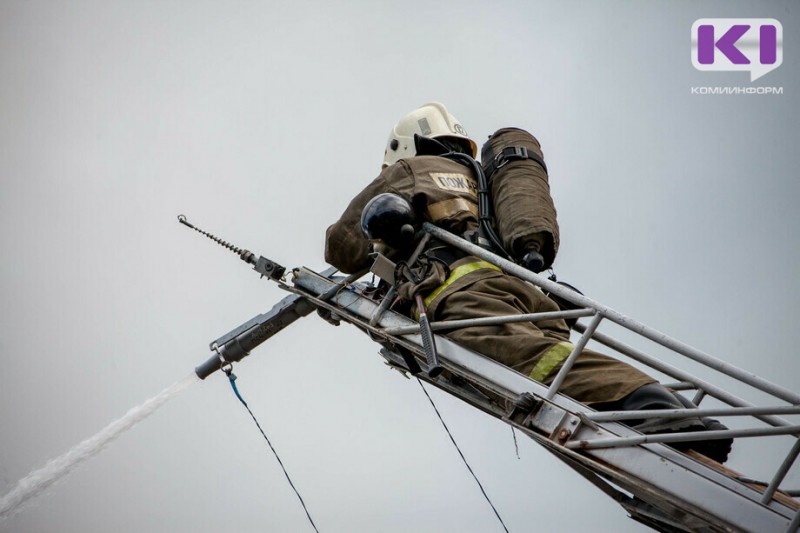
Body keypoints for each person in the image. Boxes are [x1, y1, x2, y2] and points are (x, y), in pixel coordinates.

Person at [325, 102, 731, 463]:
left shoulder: (409, 170)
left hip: (465, 294)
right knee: (557, 367)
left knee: (539, 367)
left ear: (404, 148)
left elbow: (340, 248)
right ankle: (671, 411)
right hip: (529, 295)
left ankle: (658, 409)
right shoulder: (483, 180)